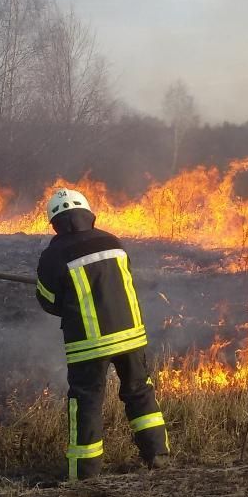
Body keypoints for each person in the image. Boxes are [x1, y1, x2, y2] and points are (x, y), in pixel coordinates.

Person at [35, 187, 170, 480]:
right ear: (87, 214)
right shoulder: (113, 242)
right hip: (131, 332)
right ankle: (157, 454)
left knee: (86, 402)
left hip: (88, 342)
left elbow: (47, 300)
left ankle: (84, 473)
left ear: (55, 222)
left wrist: (71, 304)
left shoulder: (53, 254)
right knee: (139, 390)